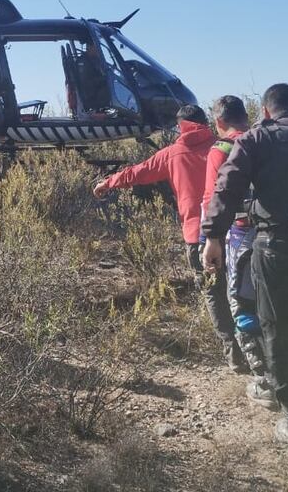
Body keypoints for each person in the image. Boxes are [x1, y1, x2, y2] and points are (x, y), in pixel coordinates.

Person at [202, 83, 288, 465]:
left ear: (266, 111)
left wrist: (213, 236)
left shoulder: (256, 139)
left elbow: (227, 186)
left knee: (278, 335)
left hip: (276, 250)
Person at [94, 105, 244, 371]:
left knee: (214, 294)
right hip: (235, 231)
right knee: (243, 291)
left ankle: (234, 354)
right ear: (206, 122)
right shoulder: (226, 146)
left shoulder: (172, 154)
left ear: (180, 126)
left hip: (197, 237)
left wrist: (109, 182)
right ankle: (255, 349)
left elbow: (137, 172)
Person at [201, 96, 276, 409]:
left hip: (240, 238)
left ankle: (264, 379)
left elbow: (213, 198)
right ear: (246, 116)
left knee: (242, 304)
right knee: (273, 305)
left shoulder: (221, 150)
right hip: (277, 234)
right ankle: (282, 368)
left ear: (218, 121)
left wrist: (211, 239)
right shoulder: (265, 141)